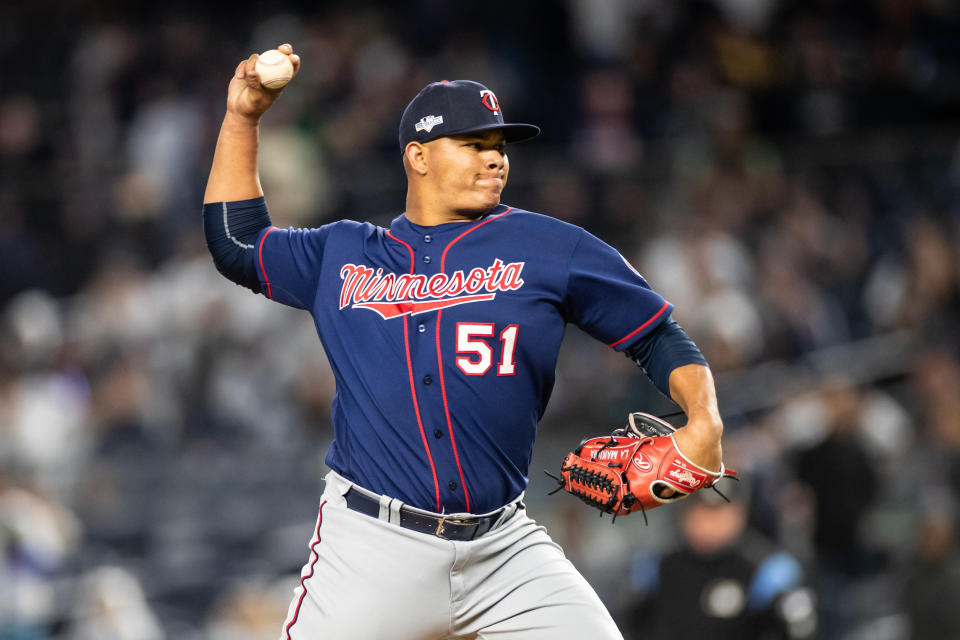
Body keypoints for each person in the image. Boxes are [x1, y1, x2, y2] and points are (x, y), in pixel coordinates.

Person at [202, 43, 727, 639]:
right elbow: (237, 243)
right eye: (473, 144)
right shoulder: (343, 253)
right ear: (418, 157)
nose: (495, 159)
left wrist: (704, 418)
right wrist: (243, 119)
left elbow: (656, 334)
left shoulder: (551, 247)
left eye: (499, 147)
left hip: (503, 547)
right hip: (373, 546)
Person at [621, 478, 816, 640]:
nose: (707, 525)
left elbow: (800, 631)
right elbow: (629, 624)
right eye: (699, 513)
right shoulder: (660, 564)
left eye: (718, 515)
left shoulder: (769, 569)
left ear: (740, 514)